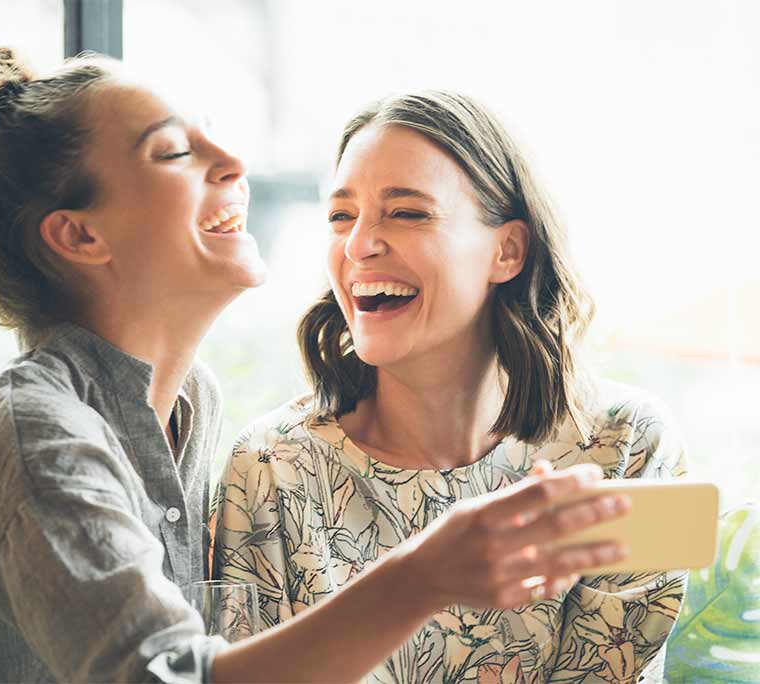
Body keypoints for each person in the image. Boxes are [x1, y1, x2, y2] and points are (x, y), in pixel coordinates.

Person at [0, 50, 631, 683]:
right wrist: (420, 578)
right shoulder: (33, 441)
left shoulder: (190, 407)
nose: (232, 163)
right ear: (81, 238)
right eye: (176, 152)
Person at [213, 90, 688, 683]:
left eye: (407, 212)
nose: (359, 243)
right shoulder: (268, 465)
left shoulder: (629, 447)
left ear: (507, 250)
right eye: (341, 216)